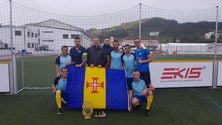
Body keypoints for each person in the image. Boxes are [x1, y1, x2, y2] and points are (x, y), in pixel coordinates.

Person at [121, 44, 136, 110]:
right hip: (125, 76)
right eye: (126, 48)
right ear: (124, 49)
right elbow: (122, 64)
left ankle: (133, 104)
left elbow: (135, 64)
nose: (127, 49)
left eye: (128, 48)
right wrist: (123, 67)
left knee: (132, 90)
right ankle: (128, 104)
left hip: (133, 76)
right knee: (127, 90)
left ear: (130, 49)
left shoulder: (133, 55)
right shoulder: (123, 56)